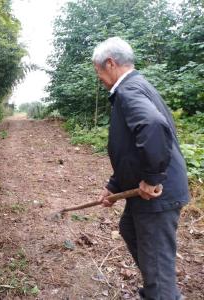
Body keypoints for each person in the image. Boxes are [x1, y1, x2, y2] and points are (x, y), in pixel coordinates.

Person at [92, 37, 189, 300]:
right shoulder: (136, 86)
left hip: (157, 192)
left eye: (98, 70)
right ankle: (155, 286)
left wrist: (152, 178)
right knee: (129, 228)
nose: (98, 77)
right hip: (150, 190)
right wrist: (113, 186)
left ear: (110, 63)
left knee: (157, 260)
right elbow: (131, 150)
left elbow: (154, 127)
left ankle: (160, 292)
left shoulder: (129, 90)